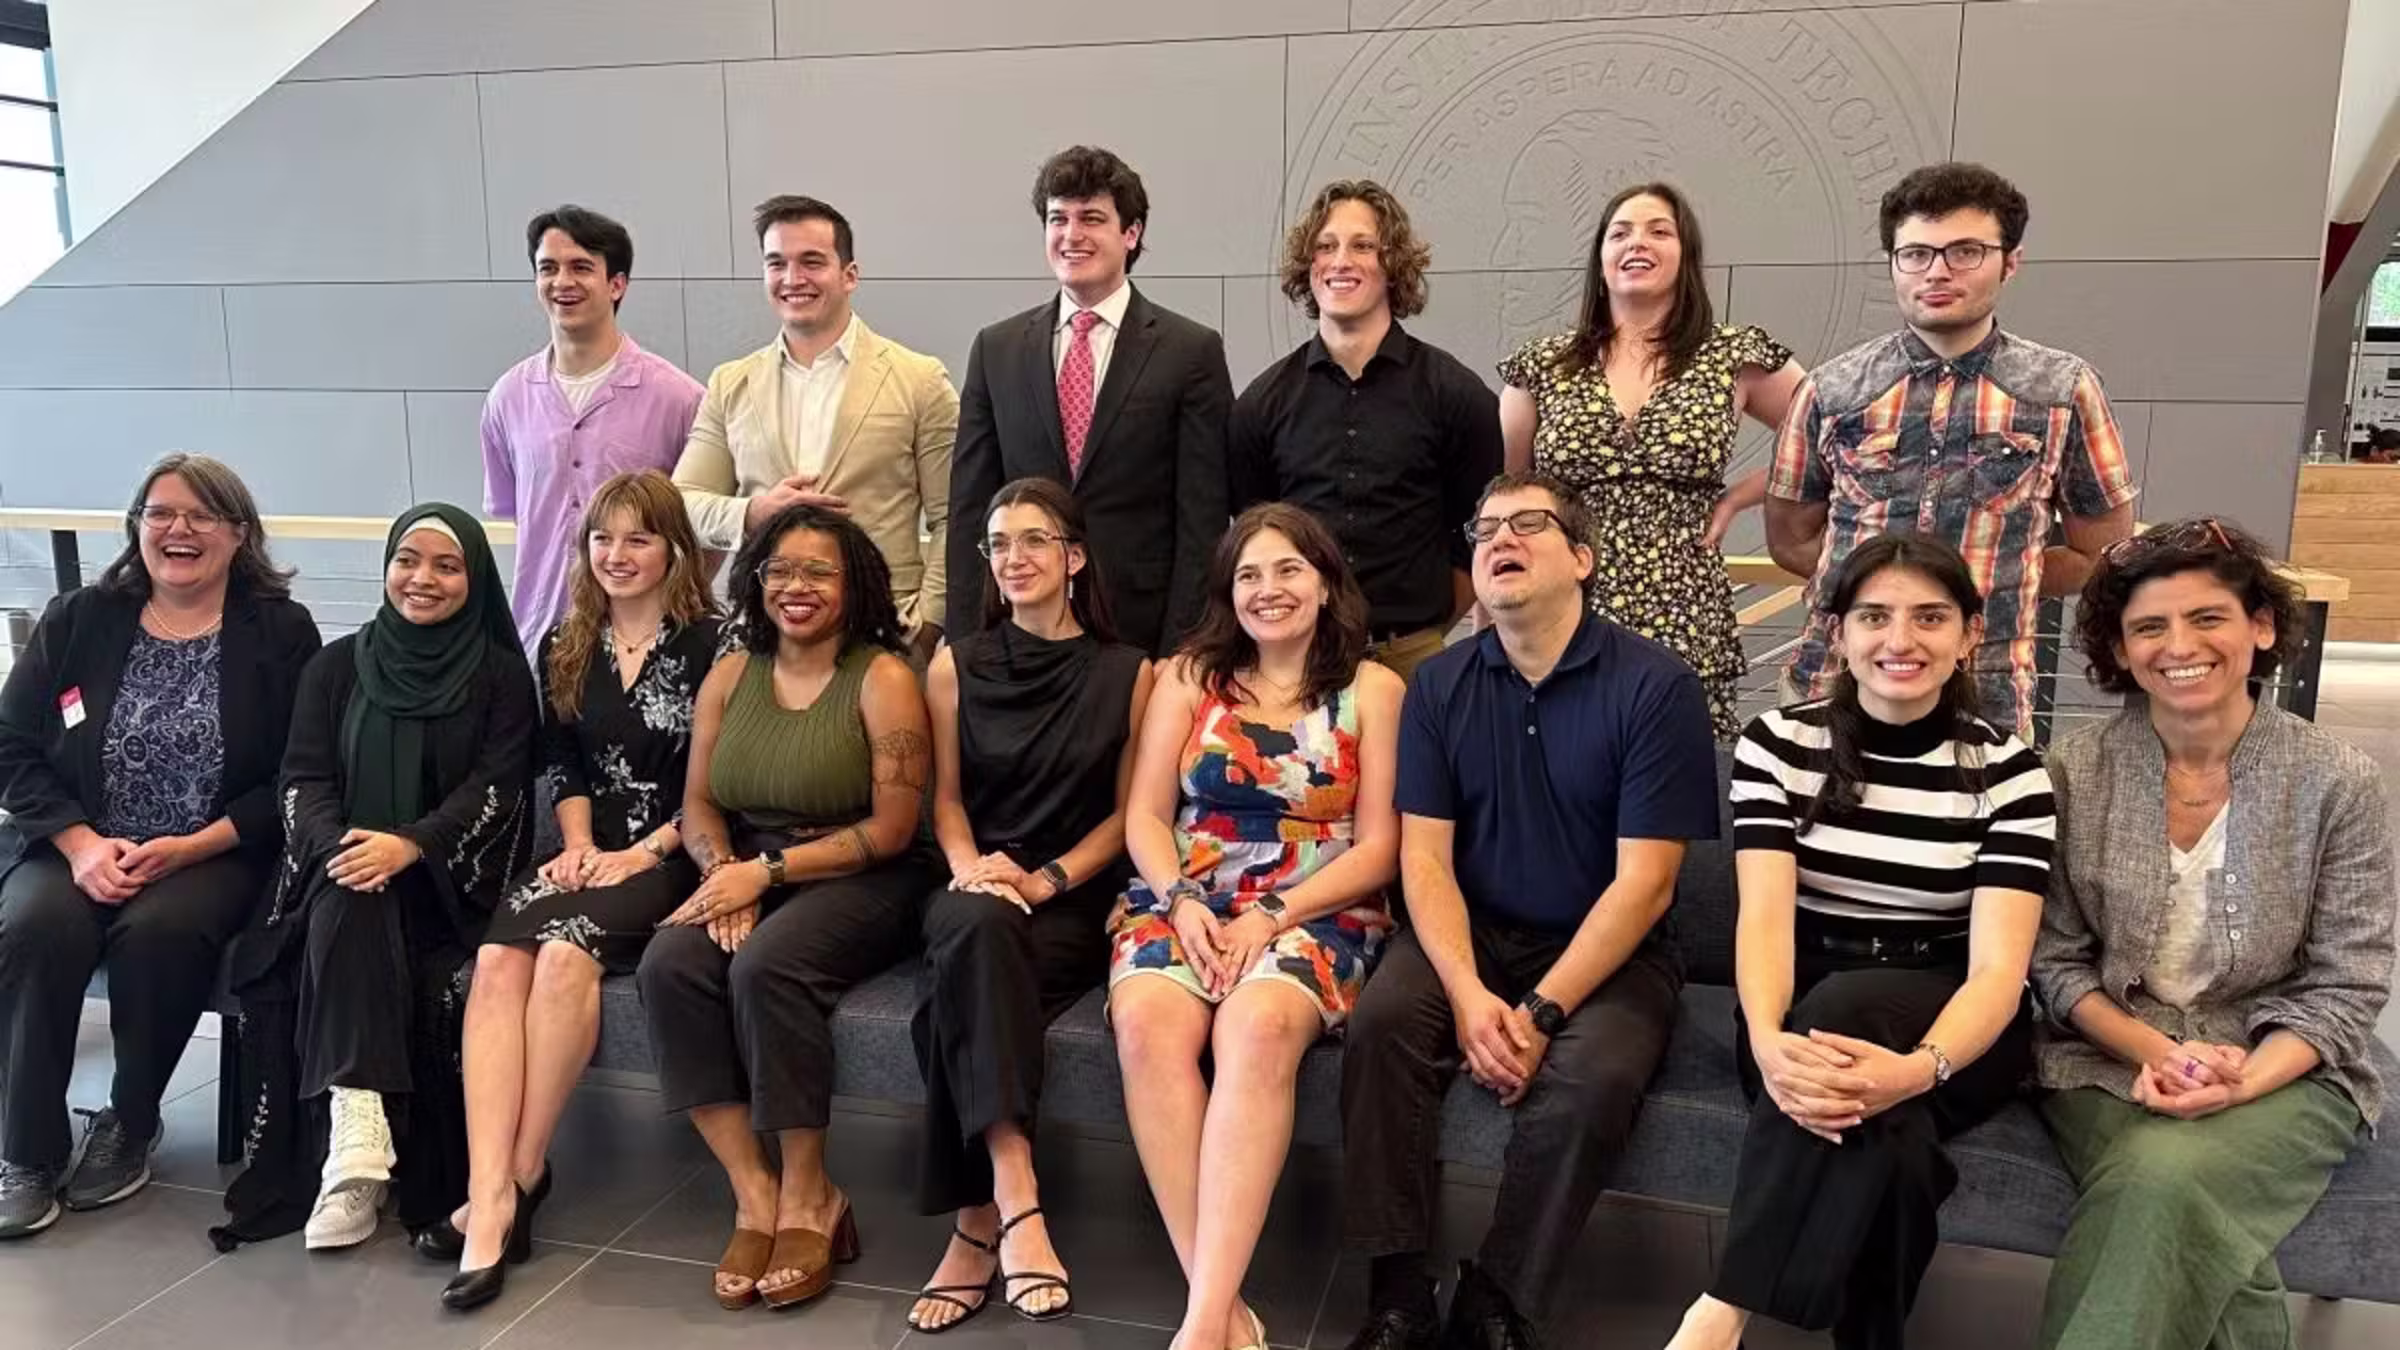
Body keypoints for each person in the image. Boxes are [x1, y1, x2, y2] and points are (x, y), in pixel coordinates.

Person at [1338, 471, 1718, 1350]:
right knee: (1383, 1024)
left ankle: (1498, 1299)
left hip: (1612, 950)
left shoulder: (1658, 687)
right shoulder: (1439, 684)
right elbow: (1424, 858)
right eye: (1485, 527)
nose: (1500, 538)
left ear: (1582, 559)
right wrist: (1470, 995)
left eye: (1529, 524)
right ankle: (1396, 1294)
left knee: (1592, 1076)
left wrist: (1544, 1010)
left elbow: (1646, 886)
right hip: (1471, 931)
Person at [1666, 534, 2055, 1350]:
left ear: (1970, 633)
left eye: (1929, 617)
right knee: (1899, 1145)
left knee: (1855, 1016)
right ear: (1838, 633)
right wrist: (1769, 1041)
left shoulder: (2012, 773)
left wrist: (1919, 1068)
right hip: (1797, 1000)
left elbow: (1996, 970)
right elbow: (1766, 919)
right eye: (1874, 616)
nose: (1900, 641)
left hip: (1957, 1017)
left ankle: (1724, 1308)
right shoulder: (1777, 745)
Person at [2031, 518, 2396, 1350]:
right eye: (2149, 627)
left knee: (2160, 1180)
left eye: (2207, 618)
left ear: (2260, 628)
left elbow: (2348, 982)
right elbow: (2051, 961)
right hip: (2104, 1061)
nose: (2178, 645)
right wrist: (2158, 1055)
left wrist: (2243, 1080)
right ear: (2120, 652)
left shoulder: (2337, 782)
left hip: (2288, 1066)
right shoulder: (2072, 773)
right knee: (2171, 1193)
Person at [0, 456, 320, 1239]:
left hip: (210, 853)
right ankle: (26, 1153)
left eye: (203, 515)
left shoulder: (279, 632)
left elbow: (298, 770)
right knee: (37, 926)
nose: (180, 529)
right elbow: (12, 745)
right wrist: (79, 847)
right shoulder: (80, 618)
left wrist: (185, 848)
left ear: (239, 535)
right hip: (78, 845)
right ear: (136, 525)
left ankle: (129, 1122)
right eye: (161, 512)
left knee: (160, 933)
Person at [1110, 503, 1404, 1350]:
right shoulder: (1189, 676)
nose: (1268, 589)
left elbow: (1381, 846)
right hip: (1187, 896)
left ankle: (1201, 1326)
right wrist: (1181, 899)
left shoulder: (1373, 689)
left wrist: (1273, 913)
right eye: (1248, 574)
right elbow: (1145, 817)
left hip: (1318, 904)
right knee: (1144, 1025)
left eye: (1288, 570)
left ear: (1324, 581)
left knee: (1259, 1024)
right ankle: (1221, 1311)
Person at [635, 504, 940, 1311]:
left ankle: (812, 1196)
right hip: (745, 862)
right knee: (670, 963)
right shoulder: (733, 672)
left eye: (819, 572)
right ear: (756, 579)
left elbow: (894, 825)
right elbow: (696, 801)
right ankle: (753, 1192)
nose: (795, 586)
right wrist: (724, 870)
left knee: (767, 965)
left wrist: (763, 877)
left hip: (864, 873)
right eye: (779, 570)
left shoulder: (883, 677)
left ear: (856, 585)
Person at [430, 472, 721, 1308]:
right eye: (603, 538)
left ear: (674, 548)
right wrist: (583, 843)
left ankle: (515, 1181)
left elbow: (723, 782)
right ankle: (494, 1188)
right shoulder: (566, 637)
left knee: (563, 958)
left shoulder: (718, 642)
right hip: (588, 853)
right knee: (497, 961)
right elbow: (559, 758)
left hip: (676, 854)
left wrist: (641, 853)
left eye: (638, 538)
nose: (618, 555)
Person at [227, 504, 536, 1253]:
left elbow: (499, 788)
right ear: (387, 565)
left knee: (361, 895)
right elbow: (302, 779)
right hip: (343, 874)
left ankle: (357, 1149)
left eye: (446, 565)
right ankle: (357, 1133)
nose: (421, 578)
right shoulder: (337, 666)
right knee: (351, 895)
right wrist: (342, 848)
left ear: (475, 579)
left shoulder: (499, 676)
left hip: (447, 884)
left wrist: (410, 846)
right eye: (408, 559)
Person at [1765, 162, 2138, 737]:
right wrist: (1873, 596)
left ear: (2010, 262)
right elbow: (1791, 537)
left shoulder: (2062, 391)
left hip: (1984, 692)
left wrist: (2001, 582)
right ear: (1894, 262)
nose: (1936, 272)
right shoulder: (1832, 389)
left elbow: (2101, 550)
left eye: (1965, 251)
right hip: (1835, 683)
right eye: (1915, 253)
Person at [905, 477, 1153, 1333]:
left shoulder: (1131, 673)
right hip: (970, 889)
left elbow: (1131, 816)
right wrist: (977, 871)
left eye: (1035, 540)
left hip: (1070, 900)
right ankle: (1018, 1192)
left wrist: (1042, 882)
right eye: (999, 543)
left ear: (1075, 557)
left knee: (953, 999)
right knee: (972, 929)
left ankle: (975, 1228)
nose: (1014, 558)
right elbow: (945, 802)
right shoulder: (955, 663)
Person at [1497, 181, 1805, 739]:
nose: (1637, 242)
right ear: (1601, 257)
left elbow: (1829, 428)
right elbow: (1508, 504)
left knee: (1680, 791)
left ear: (1685, 253)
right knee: (1565, 782)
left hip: (1686, 604)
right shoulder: (1541, 367)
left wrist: (1740, 496)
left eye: (1659, 231)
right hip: (1567, 606)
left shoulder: (1732, 355)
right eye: (1620, 233)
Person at [946, 145, 1234, 657]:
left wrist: (1185, 649)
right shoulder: (997, 349)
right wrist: (969, 643)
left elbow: (1203, 523)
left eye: (1091, 218)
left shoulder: (1191, 351)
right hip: (1020, 628)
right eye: (1058, 219)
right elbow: (971, 507)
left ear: (1131, 233)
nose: (1071, 235)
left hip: (1140, 633)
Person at [1229, 179, 1500, 681]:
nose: (1340, 261)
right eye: (1326, 247)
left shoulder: (1458, 396)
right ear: (1307, 267)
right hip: (1299, 661)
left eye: (1362, 246)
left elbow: (1477, 538)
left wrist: (1421, 634)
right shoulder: (1260, 406)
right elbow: (1254, 542)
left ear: (1392, 262)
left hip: (1414, 662)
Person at [673, 195, 957, 662]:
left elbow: (954, 518)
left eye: (811, 261)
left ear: (850, 275)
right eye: (776, 263)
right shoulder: (731, 383)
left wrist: (928, 625)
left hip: (885, 636)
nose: (792, 279)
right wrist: (752, 513)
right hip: (766, 638)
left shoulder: (920, 379)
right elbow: (681, 502)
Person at [482, 205, 706, 654]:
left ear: (617, 284)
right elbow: (516, 516)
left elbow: (706, 526)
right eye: (548, 268)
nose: (562, 282)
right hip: (538, 637)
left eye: (581, 267)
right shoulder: (507, 398)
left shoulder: (681, 399)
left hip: (647, 644)